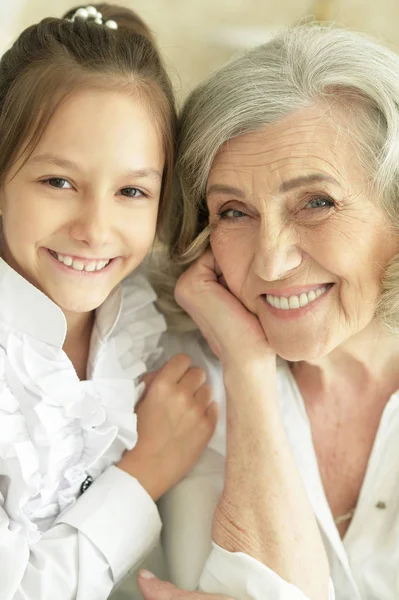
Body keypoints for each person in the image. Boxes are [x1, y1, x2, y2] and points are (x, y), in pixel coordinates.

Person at [137, 23, 399, 600]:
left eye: (316, 202)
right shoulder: (154, 367)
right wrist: (247, 370)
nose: (272, 262)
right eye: (233, 211)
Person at [0, 4, 218, 599]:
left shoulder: (143, 315)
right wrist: (145, 471)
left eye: (131, 190)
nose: (96, 229)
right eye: (59, 182)